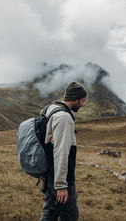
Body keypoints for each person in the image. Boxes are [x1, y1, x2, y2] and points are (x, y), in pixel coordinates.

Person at [40, 82, 88, 221]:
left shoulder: (50, 108)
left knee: (52, 213)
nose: (83, 104)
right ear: (75, 99)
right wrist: (61, 186)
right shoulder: (64, 118)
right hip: (59, 179)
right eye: (82, 101)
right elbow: (61, 152)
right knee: (66, 216)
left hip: (50, 174)